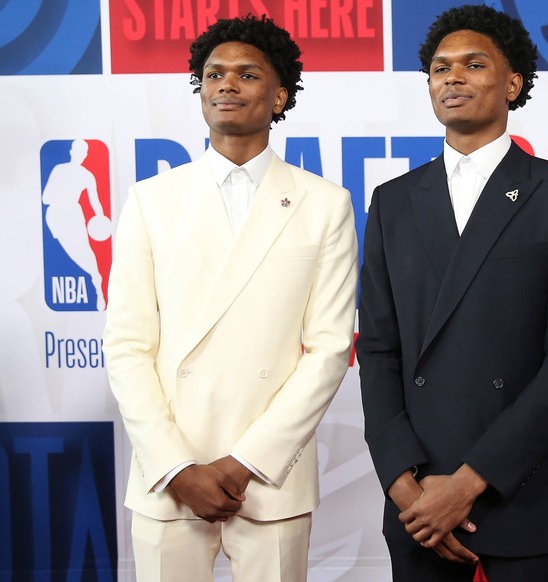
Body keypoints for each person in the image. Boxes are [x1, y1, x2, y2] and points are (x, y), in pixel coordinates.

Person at [357, 5, 548, 581]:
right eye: (440, 68)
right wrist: (403, 483)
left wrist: (469, 484)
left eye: (474, 64)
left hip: (522, 491)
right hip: (417, 498)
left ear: (513, 82)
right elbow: (376, 349)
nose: (453, 77)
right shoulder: (393, 201)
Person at [103, 15, 358, 581]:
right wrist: (175, 465)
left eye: (246, 74)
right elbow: (126, 345)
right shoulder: (151, 200)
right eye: (213, 74)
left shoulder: (324, 203)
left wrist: (247, 462)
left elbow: (329, 349)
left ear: (279, 95)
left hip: (269, 478)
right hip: (169, 475)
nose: (226, 85)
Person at [42, 138, 108, 310]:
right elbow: (46, 197)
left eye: (83, 152)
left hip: (74, 216)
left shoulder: (87, 176)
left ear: (85, 155)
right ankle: (96, 278)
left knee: (84, 251)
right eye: (77, 151)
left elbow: (95, 202)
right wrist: (61, 195)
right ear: (71, 152)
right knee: (69, 253)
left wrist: (100, 218)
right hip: (55, 216)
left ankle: (97, 283)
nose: (80, 155)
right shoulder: (59, 170)